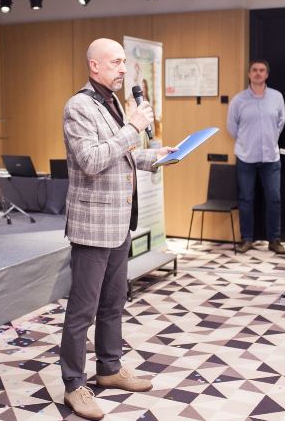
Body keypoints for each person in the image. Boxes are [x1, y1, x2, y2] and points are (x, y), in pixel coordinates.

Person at [60, 38, 176, 420]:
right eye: (115, 62)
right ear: (94, 65)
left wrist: (155, 157)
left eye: (125, 62)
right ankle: (74, 385)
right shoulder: (78, 106)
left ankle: (109, 368)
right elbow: (91, 160)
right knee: (82, 311)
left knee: (114, 303)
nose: (123, 68)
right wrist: (133, 127)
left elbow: (120, 155)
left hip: (119, 222)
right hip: (93, 227)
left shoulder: (112, 102)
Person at [227, 59, 285, 255]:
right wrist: (247, 141)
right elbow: (232, 127)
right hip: (246, 157)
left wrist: (270, 138)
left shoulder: (277, 97)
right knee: (246, 199)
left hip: (271, 158)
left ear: (267, 74)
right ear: (249, 74)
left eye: (262, 70)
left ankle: (274, 240)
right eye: (254, 70)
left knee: (274, 199)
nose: (258, 73)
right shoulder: (238, 100)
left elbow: (281, 122)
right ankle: (247, 239)